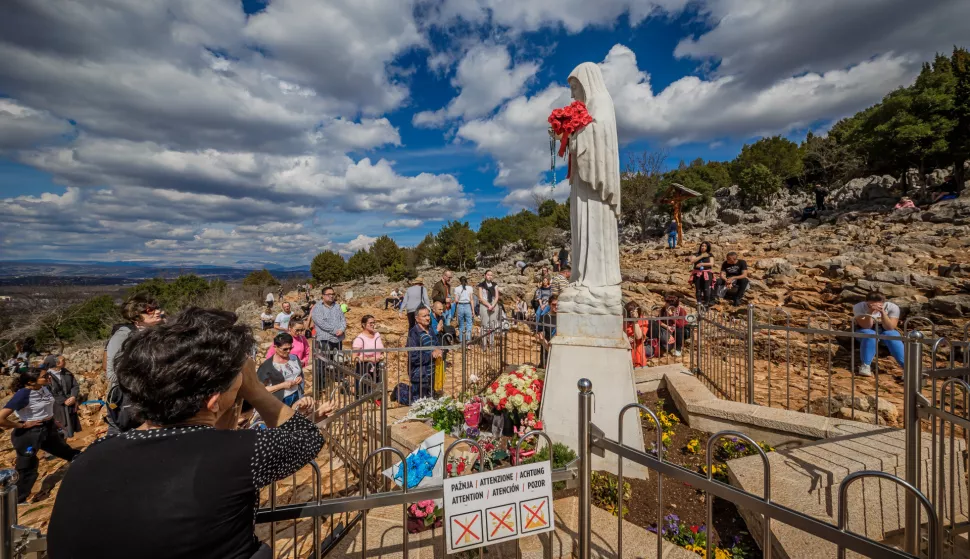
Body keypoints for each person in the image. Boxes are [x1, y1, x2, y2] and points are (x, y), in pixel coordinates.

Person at [47, 308, 327, 559]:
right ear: (213, 400)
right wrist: (253, 386)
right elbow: (306, 436)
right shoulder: (235, 455)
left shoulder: (90, 458)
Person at [0, 368, 80, 503]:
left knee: (65, 450)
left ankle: (84, 466)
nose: (49, 377)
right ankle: (18, 500)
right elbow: (1, 418)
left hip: (48, 428)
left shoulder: (43, 388)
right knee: (27, 466)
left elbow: (45, 407)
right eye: (44, 376)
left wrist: (53, 420)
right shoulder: (23, 394)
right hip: (29, 433)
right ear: (31, 382)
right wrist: (22, 425)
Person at [103, 294, 164, 434]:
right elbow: (111, 374)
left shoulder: (158, 332)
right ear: (136, 317)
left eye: (157, 308)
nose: (157, 311)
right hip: (127, 400)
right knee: (119, 437)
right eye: (149, 310)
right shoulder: (123, 336)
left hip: (151, 398)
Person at [853, 292, 905, 377]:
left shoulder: (892, 307)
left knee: (892, 335)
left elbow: (890, 327)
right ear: (866, 302)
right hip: (864, 330)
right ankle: (865, 365)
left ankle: (907, 368)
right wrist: (870, 311)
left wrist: (883, 313)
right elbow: (866, 326)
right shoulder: (859, 307)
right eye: (871, 304)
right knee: (870, 334)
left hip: (885, 330)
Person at [258, 333, 305, 406]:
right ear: (275, 347)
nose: (289, 351)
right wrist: (282, 385)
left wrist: (299, 378)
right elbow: (260, 389)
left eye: (290, 348)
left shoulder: (295, 358)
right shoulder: (267, 366)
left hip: (297, 396)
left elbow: (299, 373)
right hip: (279, 401)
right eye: (285, 349)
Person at [406, 307, 440, 400]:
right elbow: (413, 357)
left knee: (431, 399)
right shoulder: (413, 334)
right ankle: (399, 393)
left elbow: (436, 343)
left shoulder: (430, 330)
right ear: (417, 319)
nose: (428, 318)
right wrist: (431, 355)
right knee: (419, 402)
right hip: (420, 374)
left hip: (432, 372)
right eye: (424, 316)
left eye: (428, 315)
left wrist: (438, 349)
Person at [47, 355, 81, 439]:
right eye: (63, 360)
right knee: (59, 427)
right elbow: (49, 391)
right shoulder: (46, 376)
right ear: (57, 363)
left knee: (68, 427)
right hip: (56, 407)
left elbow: (75, 385)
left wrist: (73, 397)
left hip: (70, 404)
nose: (65, 362)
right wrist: (63, 400)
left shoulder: (66, 372)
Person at [311, 286, 346, 354]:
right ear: (323, 296)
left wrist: (342, 329)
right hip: (325, 340)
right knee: (325, 362)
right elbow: (321, 323)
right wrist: (335, 330)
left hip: (338, 339)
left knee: (337, 361)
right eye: (329, 294)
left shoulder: (337, 306)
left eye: (333, 294)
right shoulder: (317, 308)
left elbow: (343, 319)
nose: (331, 296)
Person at [352, 315, 385, 388]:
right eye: (370, 323)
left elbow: (381, 349)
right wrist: (370, 359)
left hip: (377, 367)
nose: (372, 325)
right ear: (363, 325)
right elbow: (354, 358)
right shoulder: (359, 339)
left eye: (374, 323)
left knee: (376, 391)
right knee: (364, 393)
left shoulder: (377, 335)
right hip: (364, 368)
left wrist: (382, 355)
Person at [478, 271, 501, 349]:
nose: (490, 276)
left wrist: (492, 305)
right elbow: (480, 297)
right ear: (485, 275)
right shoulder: (481, 285)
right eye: (488, 275)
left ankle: (491, 344)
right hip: (484, 305)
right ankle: (484, 344)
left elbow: (497, 296)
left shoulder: (495, 285)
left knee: (492, 325)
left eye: (491, 275)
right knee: (484, 324)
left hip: (494, 304)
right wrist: (488, 305)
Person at [688, 241, 715, 307]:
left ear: (708, 247)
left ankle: (706, 303)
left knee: (706, 288)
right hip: (697, 273)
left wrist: (702, 264)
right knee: (698, 288)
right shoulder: (696, 254)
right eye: (702, 246)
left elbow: (711, 264)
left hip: (707, 273)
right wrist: (702, 256)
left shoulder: (710, 255)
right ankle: (699, 302)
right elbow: (692, 261)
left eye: (705, 246)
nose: (703, 247)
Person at [624, 302, 650, 368]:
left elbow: (638, 336)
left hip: (638, 355)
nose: (633, 313)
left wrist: (634, 320)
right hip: (626, 355)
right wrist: (626, 339)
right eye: (631, 311)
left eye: (635, 310)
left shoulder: (643, 320)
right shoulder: (624, 322)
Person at [536, 295, 558, 369]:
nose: (556, 307)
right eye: (554, 304)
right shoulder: (543, 318)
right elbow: (541, 337)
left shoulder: (563, 317)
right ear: (549, 304)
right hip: (547, 351)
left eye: (558, 304)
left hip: (559, 352)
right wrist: (550, 350)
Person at [453, 276, 475, 342]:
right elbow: (471, 299)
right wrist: (473, 310)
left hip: (460, 306)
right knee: (469, 323)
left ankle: (461, 340)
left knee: (461, 324)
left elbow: (456, 300)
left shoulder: (457, 289)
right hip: (468, 305)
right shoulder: (470, 288)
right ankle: (468, 340)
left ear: (460, 281)